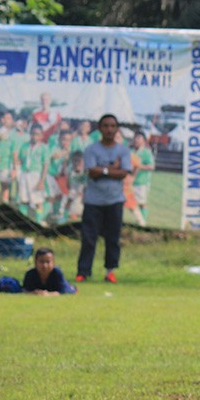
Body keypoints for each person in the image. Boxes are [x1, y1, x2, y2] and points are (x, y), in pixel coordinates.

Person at [76, 114, 132, 283]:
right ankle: (83, 272)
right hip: (93, 201)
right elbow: (92, 173)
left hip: (115, 201)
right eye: (106, 126)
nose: (109, 129)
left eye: (112, 126)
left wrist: (104, 170)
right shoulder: (92, 149)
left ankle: (110, 271)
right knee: (88, 238)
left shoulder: (123, 150)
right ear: (100, 128)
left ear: (117, 129)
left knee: (113, 239)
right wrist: (111, 169)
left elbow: (124, 173)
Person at [130, 132, 155, 225]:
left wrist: (139, 166)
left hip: (142, 182)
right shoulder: (130, 151)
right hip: (130, 181)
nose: (136, 141)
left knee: (141, 203)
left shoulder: (146, 152)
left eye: (139, 139)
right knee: (130, 202)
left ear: (143, 141)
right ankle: (139, 219)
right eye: (135, 138)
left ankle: (142, 221)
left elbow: (151, 167)